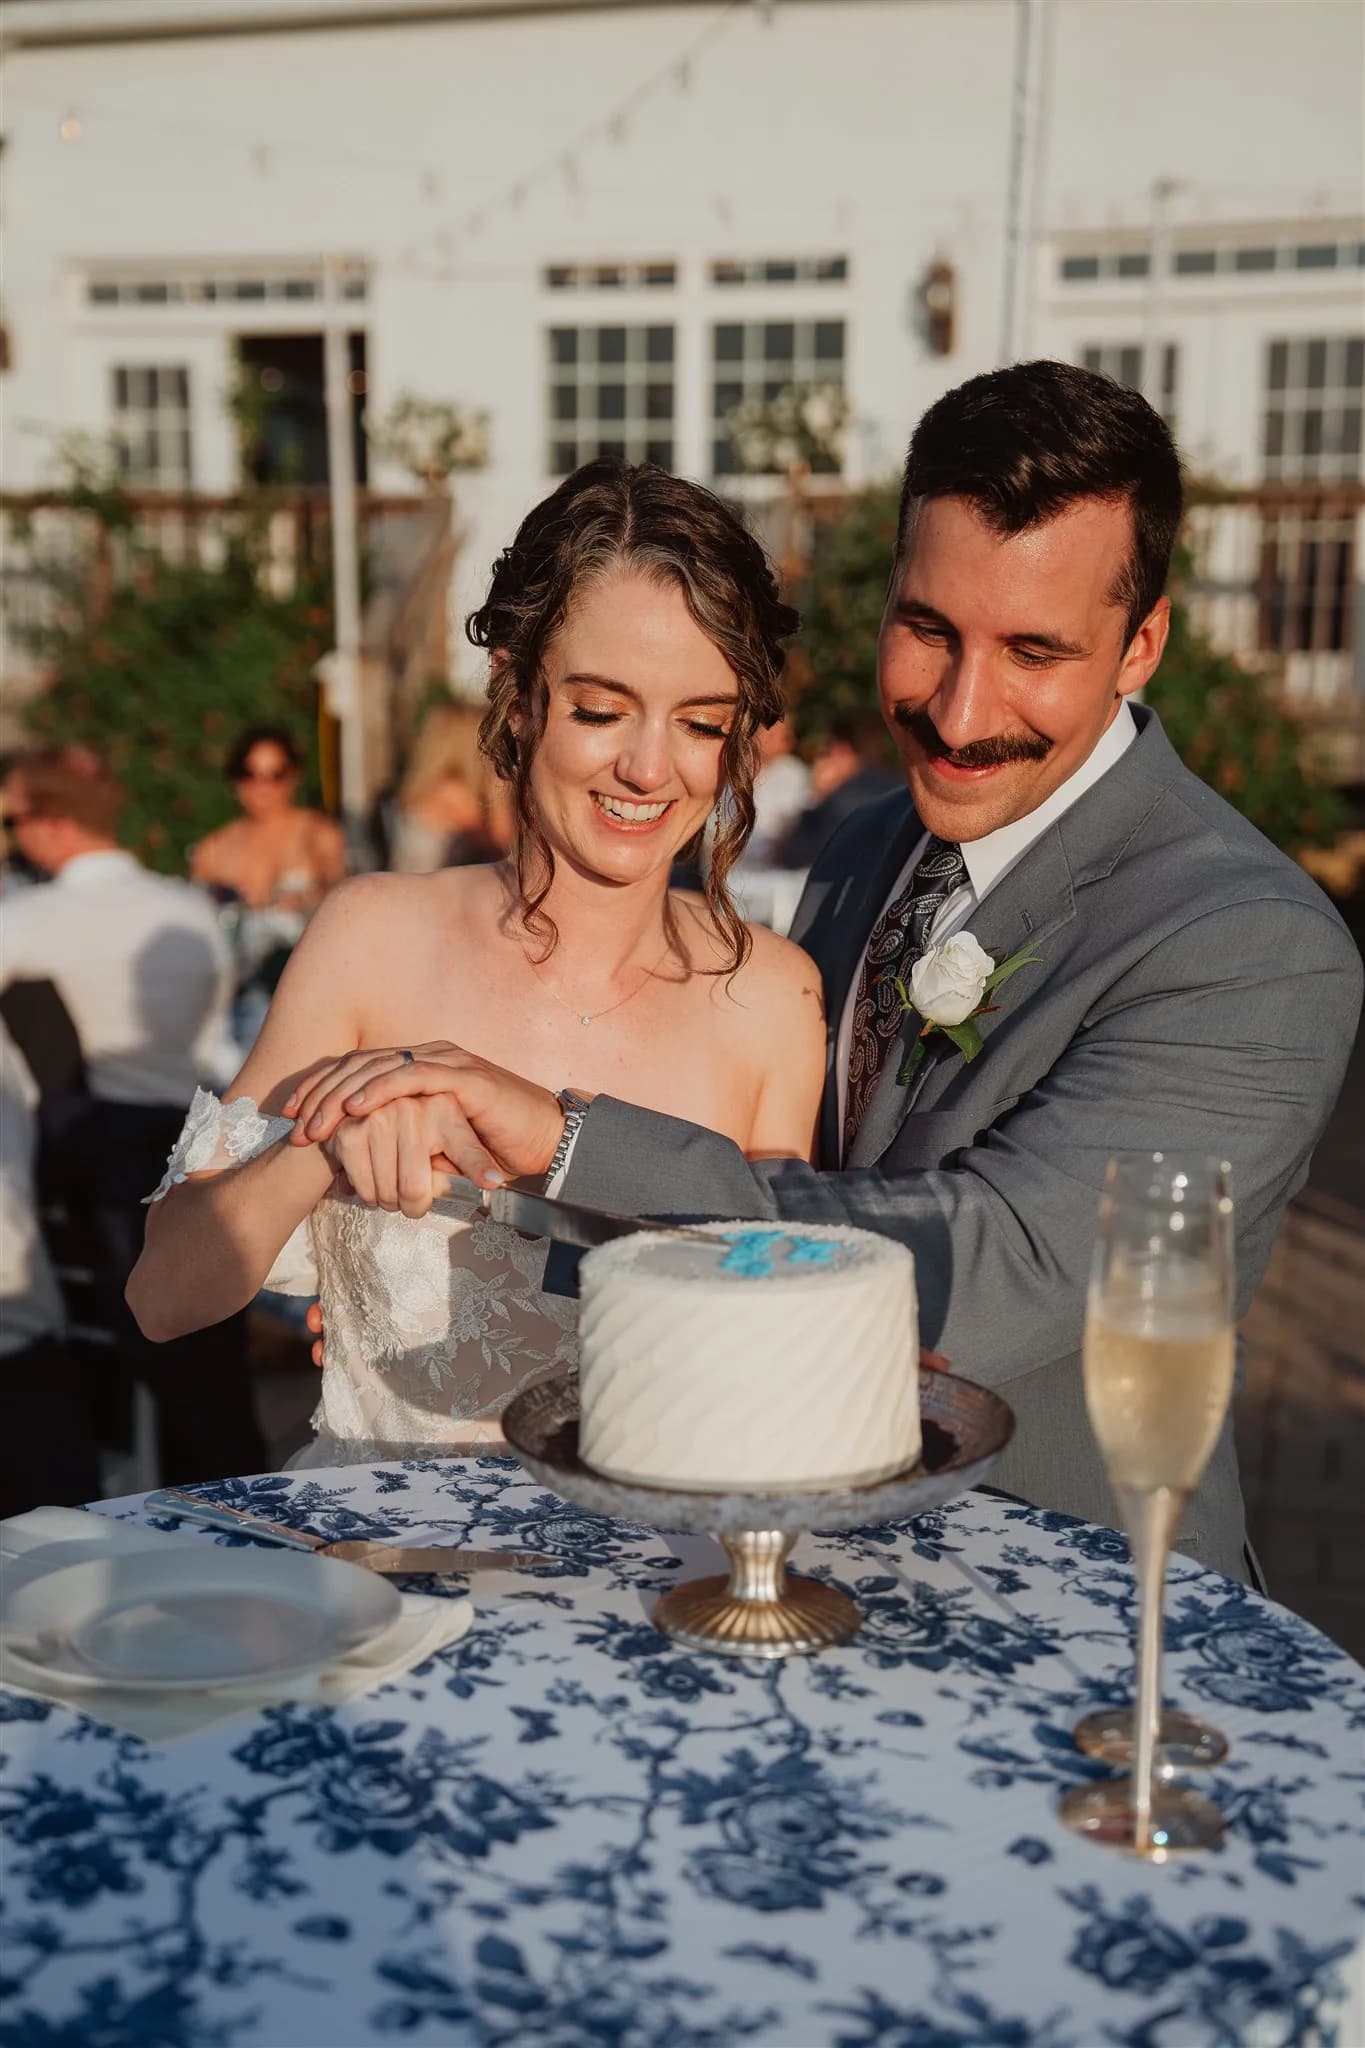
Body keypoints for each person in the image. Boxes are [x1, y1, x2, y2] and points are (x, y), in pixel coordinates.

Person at [290, 364, 1362, 1579]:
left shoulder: (1250, 941)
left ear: (1142, 644)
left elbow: (992, 1258)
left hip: (1075, 1596)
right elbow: (791, 1191)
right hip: (810, 1563)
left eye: (1034, 650)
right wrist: (457, 1280)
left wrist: (562, 1137)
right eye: (928, 630)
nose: (960, 712)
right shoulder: (865, 845)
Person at [128, 458, 826, 1466]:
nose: (648, 766)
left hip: (650, 1582)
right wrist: (324, 1137)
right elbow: (162, 1297)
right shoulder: (371, 932)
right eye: (599, 707)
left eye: (701, 722)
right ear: (519, 690)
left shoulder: (772, 993)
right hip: (385, 1578)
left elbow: (785, 1343)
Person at [0, 745, 265, 1486]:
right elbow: (216, 1043)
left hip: (106, 1157)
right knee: (210, 1375)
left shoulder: (31, 918)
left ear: (50, 824)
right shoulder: (187, 909)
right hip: (202, 1138)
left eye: (13, 820)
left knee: (152, 1360)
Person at [191, 725, 347, 1048]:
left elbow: (340, 894)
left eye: (274, 774)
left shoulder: (317, 835)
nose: (262, 787)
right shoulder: (214, 848)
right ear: (235, 779)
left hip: (304, 987)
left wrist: (305, 898)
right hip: (238, 996)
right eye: (250, 774)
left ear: (292, 777)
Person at [389, 701, 514, 873]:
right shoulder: (451, 792)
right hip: (423, 894)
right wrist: (497, 779)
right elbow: (501, 841)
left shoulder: (436, 787)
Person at [777, 712, 901, 871]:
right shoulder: (901, 787)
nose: (817, 763)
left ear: (841, 751)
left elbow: (793, 857)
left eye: (823, 752)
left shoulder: (840, 803)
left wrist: (820, 797)